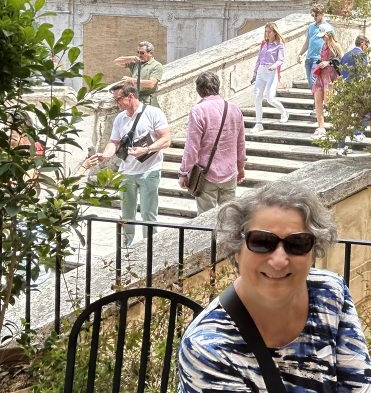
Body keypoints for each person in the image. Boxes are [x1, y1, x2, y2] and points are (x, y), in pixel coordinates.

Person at [146, 182, 371, 393]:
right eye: (262, 242)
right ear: (237, 248)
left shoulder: (330, 295)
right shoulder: (209, 347)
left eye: (297, 244)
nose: (280, 259)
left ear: (313, 251)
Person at [90, 82, 171, 246]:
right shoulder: (120, 118)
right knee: (127, 214)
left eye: (118, 99)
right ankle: (128, 247)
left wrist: (147, 149)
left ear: (131, 96)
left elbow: (166, 139)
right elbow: (114, 141)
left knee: (148, 213)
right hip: (126, 171)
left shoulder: (153, 113)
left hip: (150, 170)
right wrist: (105, 155)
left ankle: (150, 246)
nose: (116, 103)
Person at [180, 72, 246, 214]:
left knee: (205, 219)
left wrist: (184, 172)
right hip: (230, 171)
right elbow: (240, 143)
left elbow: (192, 146)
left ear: (199, 90)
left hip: (206, 173)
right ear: (217, 87)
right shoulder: (234, 109)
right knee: (229, 217)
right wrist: (240, 167)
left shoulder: (198, 111)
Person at [251, 23, 289, 133]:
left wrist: (273, 66)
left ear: (274, 32)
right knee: (257, 97)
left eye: (269, 31)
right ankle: (258, 123)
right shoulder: (263, 44)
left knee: (270, 98)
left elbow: (281, 59)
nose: (267, 34)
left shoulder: (279, 44)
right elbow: (259, 59)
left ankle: (284, 112)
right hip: (260, 72)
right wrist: (254, 72)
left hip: (271, 72)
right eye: (266, 31)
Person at [311, 30, 343, 137]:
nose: (322, 39)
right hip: (322, 74)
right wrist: (320, 62)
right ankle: (321, 127)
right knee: (318, 101)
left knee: (329, 102)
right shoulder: (323, 46)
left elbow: (341, 59)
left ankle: (338, 125)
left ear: (329, 35)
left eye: (323, 36)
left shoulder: (336, 45)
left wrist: (328, 62)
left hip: (331, 75)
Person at [114, 40, 164, 106]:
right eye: (138, 52)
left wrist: (132, 80)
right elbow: (117, 62)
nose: (139, 55)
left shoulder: (156, 65)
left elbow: (151, 84)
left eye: (142, 53)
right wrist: (131, 58)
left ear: (150, 53)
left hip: (147, 101)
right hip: (134, 99)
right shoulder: (136, 63)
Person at [297, 7, 334, 89]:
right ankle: (316, 101)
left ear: (322, 14)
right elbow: (307, 42)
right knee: (311, 85)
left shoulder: (328, 27)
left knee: (313, 81)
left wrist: (328, 60)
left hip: (318, 59)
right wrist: (300, 54)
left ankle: (317, 101)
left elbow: (332, 43)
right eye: (313, 15)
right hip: (308, 58)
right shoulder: (311, 26)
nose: (314, 17)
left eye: (316, 15)